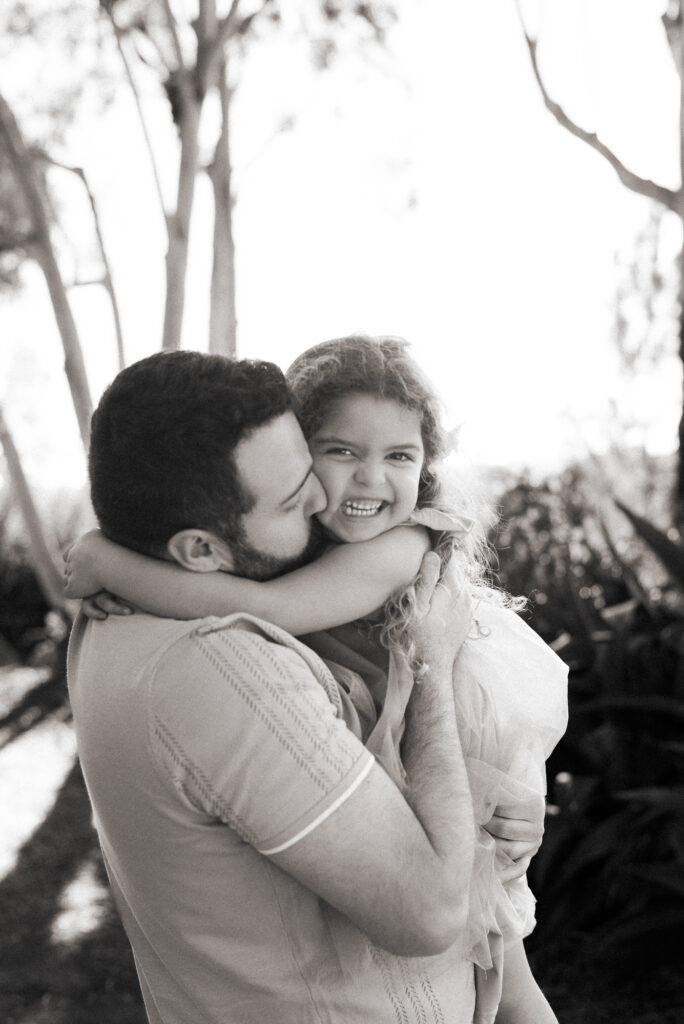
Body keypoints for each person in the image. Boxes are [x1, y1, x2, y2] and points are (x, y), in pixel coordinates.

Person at [66, 338, 568, 1024]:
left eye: (400, 456)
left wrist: (110, 560)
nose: (368, 479)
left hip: (461, 750)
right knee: (500, 968)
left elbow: (268, 607)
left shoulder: (402, 546)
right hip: (410, 754)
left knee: (508, 971)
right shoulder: (233, 634)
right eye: (338, 453)